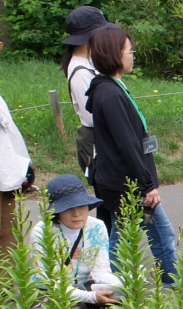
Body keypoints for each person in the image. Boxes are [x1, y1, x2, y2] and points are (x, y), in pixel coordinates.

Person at [85, 25, 178, 286]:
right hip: (129, 186)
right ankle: (169, 285)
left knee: (129, 233)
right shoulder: (110, 94)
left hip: (126, 183)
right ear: (114, 54)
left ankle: (111, 283)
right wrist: (147, 185)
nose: (133, 55)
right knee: (154, 233)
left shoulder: (109, 88)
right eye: (130, 51)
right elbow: (127, 144)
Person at [61, 6, 116, 233]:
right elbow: (94, 116)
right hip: (96, 140)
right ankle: (107, 255)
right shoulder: (81, 71)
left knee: (109, 202)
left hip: (101, 137)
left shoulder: (89, 63)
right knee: (109, 202)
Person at [30, 175, 120, 307]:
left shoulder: (97, 226)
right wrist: (91, 297)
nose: (77, 214)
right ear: (56, 211)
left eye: (81, 206)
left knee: (117, 298)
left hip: (83, 284)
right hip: (51, 289)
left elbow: (101, 271)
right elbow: (49, 283)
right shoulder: (41, 233)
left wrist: (123, 285)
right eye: (69, 208)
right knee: (72, 308)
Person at [0, 85, 32, 252]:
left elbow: (9, 136)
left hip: (5, 179)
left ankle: (8, 279)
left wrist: (22, 169)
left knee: (8, 238)